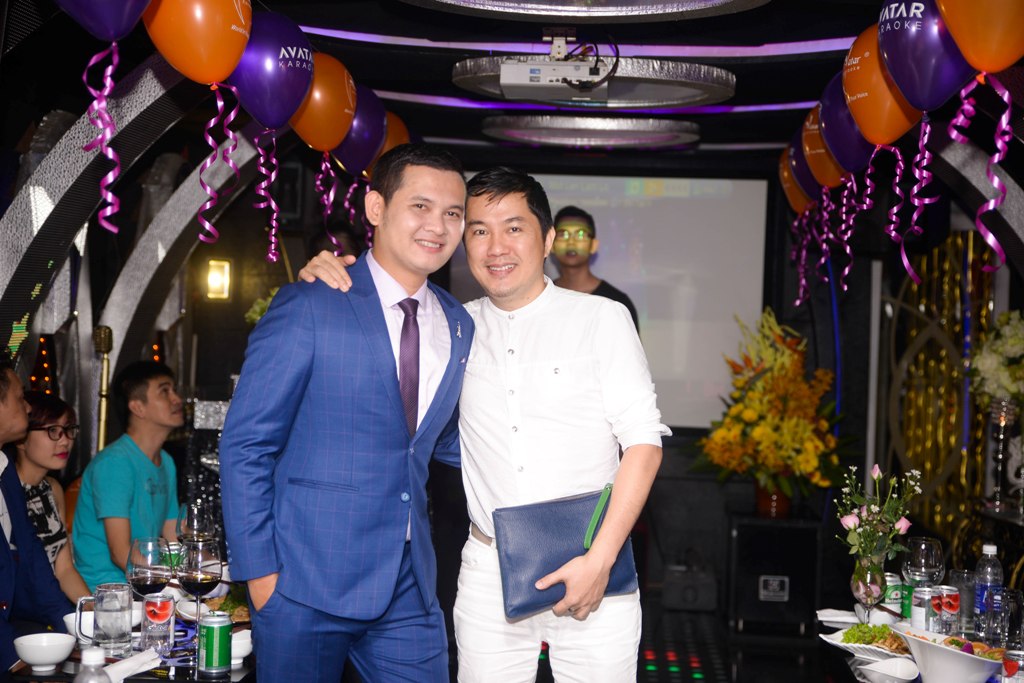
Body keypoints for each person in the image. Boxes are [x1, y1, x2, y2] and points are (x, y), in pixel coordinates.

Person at [300, 166, 668, 682]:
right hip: (487, 574)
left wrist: (600, 560)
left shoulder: (601, 318)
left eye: (514, 228)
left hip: (593, 567)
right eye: (478, 230)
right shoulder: (451, 324)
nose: (497, 247)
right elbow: (380, 309)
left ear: (547, 240)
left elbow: (644, 443)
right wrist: (331, 273)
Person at [219, 143, 474, 683]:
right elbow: (246, 444)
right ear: (376, 208)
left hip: (408, 585)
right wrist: (259, 575)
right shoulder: (312, 301)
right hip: (303, 580)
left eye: (453, 213)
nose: (438, 226)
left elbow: (448, 440)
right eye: (421, 206)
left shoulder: (459, 323)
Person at [72, 361, 182, 591]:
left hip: (145, 583)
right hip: (107, 591)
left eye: (174, 390)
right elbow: (120, 552)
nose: (177, 399)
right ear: (137, 407)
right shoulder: (115, 463)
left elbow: (171, 536)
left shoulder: (166, 462)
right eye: (165, 391)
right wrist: (168, 583)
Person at [0, 357, 72, 673]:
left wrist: (74, 630)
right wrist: (14, 660)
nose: (27, 407)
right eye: (20, 397)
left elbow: (34, 560)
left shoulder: (4, 472)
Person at [9, 392, 89, 603]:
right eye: (53, 430)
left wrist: (93, 610)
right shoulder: (7, 491)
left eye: (68, 430)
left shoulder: (52, 489)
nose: (65, 441)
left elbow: (64, 570)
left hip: (50, 604)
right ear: (21, 440)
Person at [550, 205, 639, 331]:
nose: (571, 242)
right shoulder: (541, 298)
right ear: (551, 244)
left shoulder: (616, 302)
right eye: (563, 234)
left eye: (580, 234)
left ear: (593, 245)